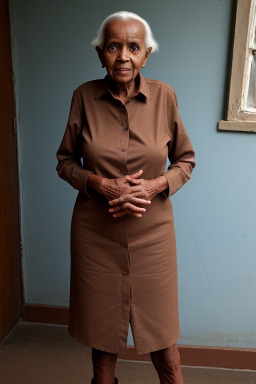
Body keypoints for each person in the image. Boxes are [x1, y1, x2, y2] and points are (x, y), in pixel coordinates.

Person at [56, 11, 195, 384]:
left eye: (133, 47)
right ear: (100, 53)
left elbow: (185, 161)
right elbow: (65, 162)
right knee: (102, 352)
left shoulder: (165, 97)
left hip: (153, 237)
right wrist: (101, 185)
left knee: (166, 352)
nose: (123, 56)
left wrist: (153, 186)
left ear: (146, 55)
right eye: (114, 47)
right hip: (95, 236)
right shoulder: (83, 97)